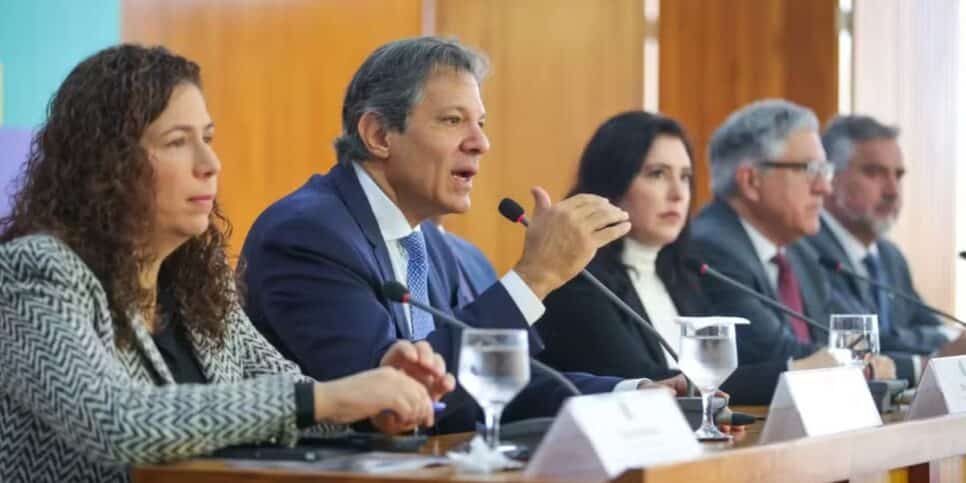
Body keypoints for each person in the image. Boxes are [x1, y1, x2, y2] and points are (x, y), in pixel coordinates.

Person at [0, 45, 453, 482]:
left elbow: (295, 404)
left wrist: (374, 401)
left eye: (208, 139)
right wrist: (331, 398)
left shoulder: (197, 279)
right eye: (178, 142)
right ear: (106, 165)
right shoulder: (37, 272)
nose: (210, 163)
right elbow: (116, 420)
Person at [241, 37, 682, 434]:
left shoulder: (440, 248)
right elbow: (389, 402)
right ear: (378, 135)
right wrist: (535, 276)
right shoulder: (307, 235)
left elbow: (500, 392)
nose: (479, 143)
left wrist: (631, 393)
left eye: (481, 124)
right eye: (453, 121)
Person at [535, 111, 845, 404]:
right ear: (612, 184)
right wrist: (794, 372)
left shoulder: (686, 274)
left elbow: (723, 371)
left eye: (685, 177)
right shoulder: (580, 280)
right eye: (657, 174)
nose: (678, 193)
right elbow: (642, 378)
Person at [688, 100, 895, 377]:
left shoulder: (800, 253)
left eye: (825, 171)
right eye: (809, 170)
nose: (824, 187)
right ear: (751, 181)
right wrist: (900, 366)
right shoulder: (712, 247)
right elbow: (775, 351)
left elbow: (834, 339)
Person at [806, 114, 962, 380]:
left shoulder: (890, 256)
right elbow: (855, 346)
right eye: (874, 173)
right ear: (829, 178)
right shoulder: (807, 250)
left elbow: (932, 327)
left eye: (898, 175)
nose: (892, 190)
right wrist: (935, 348)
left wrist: (941, 338)